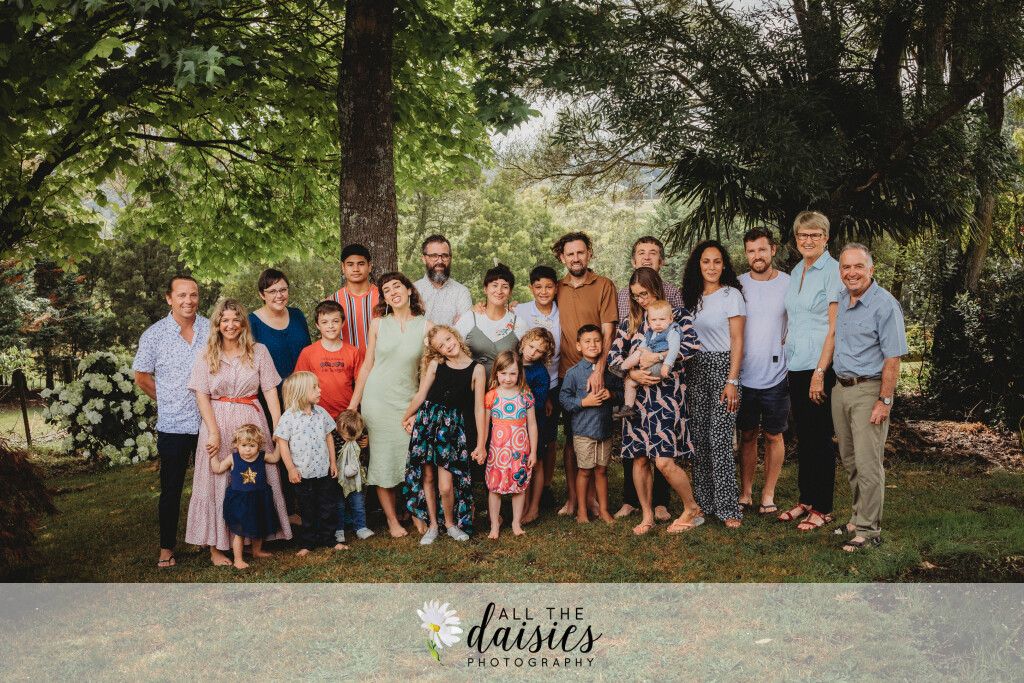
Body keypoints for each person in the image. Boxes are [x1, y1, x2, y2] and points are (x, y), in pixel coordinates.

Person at [185, 298, 292, 566]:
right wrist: (213, 432)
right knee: (217, 481)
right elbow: (201, 396)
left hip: (252, 422)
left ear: (243, 323)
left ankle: (255, 542)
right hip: (217, 422)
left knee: (258, 478)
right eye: (225, 320)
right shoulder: (206, 354)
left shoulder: (259, 351)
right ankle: (216, 548)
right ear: (217, 324)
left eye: (236, 319)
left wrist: (278, 430)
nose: (230, 325)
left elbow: (270, 393)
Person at [608, 267, 702, 535]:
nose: (641, 300)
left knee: (663, 461)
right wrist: (632, 373)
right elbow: (614, 356)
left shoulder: (676, 316)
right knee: (639, 459)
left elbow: (692, 346)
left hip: (666, 397)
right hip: (636, 400)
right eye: (636, 296)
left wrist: (659, 357)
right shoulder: (630, 322)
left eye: (645, 294)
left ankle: (691, 507)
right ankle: (647, 514)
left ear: (657, 289)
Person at [832, 244, 907, 551]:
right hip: (841, 390)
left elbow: (893, 358)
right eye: (846, 267)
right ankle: (856, 517)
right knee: (850, 460)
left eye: (858, 267)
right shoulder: (842, 298)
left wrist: (884, 401)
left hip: (869, 391)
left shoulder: (885, 305)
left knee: (868, 463)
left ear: (871, 270)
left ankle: (869, 531)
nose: (852, 273)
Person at [132, 275, 210, 569]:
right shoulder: (154, 335)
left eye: (193, 295)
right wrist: (167, 400)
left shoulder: (210, 329)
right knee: (172, 489)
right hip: (174, 424)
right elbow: (142, 377)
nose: (188, 301)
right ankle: (167, 548)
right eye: (182, 295)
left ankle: (212, 538)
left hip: (208, 421)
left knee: (212, 483)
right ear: (169, 298)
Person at [349, 272, 432, 538]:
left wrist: (418, 408)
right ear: (384, 298)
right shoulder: (378, 324)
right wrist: (353, 406)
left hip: (408, 402)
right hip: (377, 401)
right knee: (383, 461)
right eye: (387, 290)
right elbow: (367, 366)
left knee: (413, 459)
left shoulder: (427, 327)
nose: (393, 292)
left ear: (409, 290)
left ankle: (417, 512)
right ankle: (392, 520)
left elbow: (427, 373)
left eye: (397, 286)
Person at [781, 211, 842, 531]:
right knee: (803, 436)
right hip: (796, 365)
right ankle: (806, 499)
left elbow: (834, 327)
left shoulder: (833, 271)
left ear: (825, 238)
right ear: (796, 238)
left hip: (820, 367)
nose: (808, 240)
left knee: (819, 438)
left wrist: (820, 371)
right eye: (803, 235)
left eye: (815, 235)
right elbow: (795, 319)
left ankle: (823, 507)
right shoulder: (796, 271)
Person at [551, 232, 617, 517]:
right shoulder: (557, 287)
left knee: (597, 432)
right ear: (562, 257)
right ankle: (573, 499)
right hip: (567, 372)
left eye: (581, 252)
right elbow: (538, 304)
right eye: (570, 254)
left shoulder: (603, 285)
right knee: (573, 438)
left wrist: (599, 370)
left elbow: (608, 331)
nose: (576, 258)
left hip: (596, 372)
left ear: (589, 253)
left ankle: (592, 499)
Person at [401, 325, 486, 544]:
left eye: (448, 339)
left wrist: (481, 444)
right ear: (437, 351)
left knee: (446, 485)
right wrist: (408, 416)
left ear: (455, 336)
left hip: (451, 429)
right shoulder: (435, 365)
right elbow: (421, 395)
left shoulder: (477, 370)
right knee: (428, 477)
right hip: (427, 423)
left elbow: (479, 409)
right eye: (441, 345)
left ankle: (450, 524)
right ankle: (433, 525)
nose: (448, 345)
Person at [682, 240, 746, 528]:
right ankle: (703, 504)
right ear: (698, 264)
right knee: (700, 439)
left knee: (720, 439)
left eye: (717, 261)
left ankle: (729, 508)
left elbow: (737, 340)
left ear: (724, 265)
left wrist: (732, 380)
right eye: (706, 261)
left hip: (723, 369)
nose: (711, 267)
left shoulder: (731, 295)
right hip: (695, 369)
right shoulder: (690, 297)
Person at [736, 227, 791, 515]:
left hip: (777, 375)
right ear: (746, 254)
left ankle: (768, 493)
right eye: (751, 251)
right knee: (747, 434)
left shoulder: (789, 283)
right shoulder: (737, 285)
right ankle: (745, 492)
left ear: (773, 250)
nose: (757, 255)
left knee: (773, 436)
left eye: (762, 249)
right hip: (744, 375)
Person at [274, 371, 347, 555]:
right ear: (300, 392)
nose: (319, 390)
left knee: (328, 507)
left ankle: (330, 539)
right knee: (307, 510)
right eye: (314, 387)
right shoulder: (288, 417)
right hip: (302, 474)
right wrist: (290, 468)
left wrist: (333, 462)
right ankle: (308, 543)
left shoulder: (322, 413)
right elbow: (282, 443)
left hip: (323, 471)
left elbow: (329, 437)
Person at [560, 325, 623, 524]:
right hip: (583, 431)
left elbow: (622, 394)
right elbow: (564, 399)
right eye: (587, 341)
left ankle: (603, 510)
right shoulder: (573, 373)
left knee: (602, 470)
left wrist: (611, 395)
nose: (593, 345)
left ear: (603, 343)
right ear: (578, 346)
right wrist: (583, 402)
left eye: (597, 340)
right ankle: (581, 512)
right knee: (585, 471)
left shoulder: (610, 372)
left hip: (605, 430)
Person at [513, 266, 562, 510]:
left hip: (549, 382)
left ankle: (544, 491)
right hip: (517, 383)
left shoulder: (563, 311)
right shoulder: (519, 309)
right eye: (538, 286)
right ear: (531, 288)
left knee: (547, 441)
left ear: (556, 288)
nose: (543, 291)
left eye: (549, 286)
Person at [208, 424, 283, 569]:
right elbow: (217, 468)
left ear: (259, 445)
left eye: (252, 446)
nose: (247, 449)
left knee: (259, 526)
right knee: (240, 532)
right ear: (236, 445)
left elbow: (275, 457)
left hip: (259, 498)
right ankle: (238, 559)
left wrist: (279, 442)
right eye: (243, 445)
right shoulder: (233, 458)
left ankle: (257, 551)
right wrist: (213, 455)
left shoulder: (261, 456)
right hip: (240, 501)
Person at [484, 350, 538, 539]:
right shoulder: (492, 396)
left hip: (519, 450)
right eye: (503, 373)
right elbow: (485, 425)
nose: (508, 378)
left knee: (519, 486)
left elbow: (532, 425)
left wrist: (533, 452)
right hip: (497, 451)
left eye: (513, 373)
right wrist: (482, 447)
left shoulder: (525, 395)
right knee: (494, 487)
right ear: (496, 373)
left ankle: (516, 522)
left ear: (519, 374)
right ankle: (494, 524)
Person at [293, 300, 365, 421]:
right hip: (316, 416)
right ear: (317, 325)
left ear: (342, 323)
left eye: (335, 321)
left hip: (347, 415)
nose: (330, 326)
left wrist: (352, 409)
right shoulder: (307, 353)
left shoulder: (353, 352)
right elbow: (299, 386)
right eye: (324, 322)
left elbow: (361, 384)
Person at [454, 263, 526, 379]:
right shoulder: (469, 318)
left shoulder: (519, 323)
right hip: (470, 385)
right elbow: (452, 351)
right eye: (494, 285)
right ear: (485, 289)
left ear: (510, 292)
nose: (499, 291)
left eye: (505, 287)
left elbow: (528, 358)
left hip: (505, 388)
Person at [612, 299, 681, 419]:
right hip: (650, 368)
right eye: (654, 320)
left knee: (639, 353)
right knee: (629, 382)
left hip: (660, 367)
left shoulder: (672, 331)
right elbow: (644, 345)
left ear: (671, 319)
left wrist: (667, 365)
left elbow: (674, 349)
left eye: (662, 319)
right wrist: (641, 354)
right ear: (649, 321)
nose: (658, 323)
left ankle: (622, 368)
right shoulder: (651, 331)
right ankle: (628, 407)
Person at [248, 268, 312, 387]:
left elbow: (310, 353)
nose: (279, 296)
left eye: (283, 290)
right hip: (271, 393)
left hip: (304, 390)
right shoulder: (251, 322)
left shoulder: (297, 315)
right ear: (262, 294)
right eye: (272, 291)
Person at [518, 327, 556, 524]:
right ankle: (522, 505)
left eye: (539, 351)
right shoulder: (513, 363)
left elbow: (538, 402)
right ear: (524, 341)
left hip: (534, 424)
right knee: (522, 463)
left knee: (537, 463)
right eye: (531, 346)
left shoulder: (540, 372)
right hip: (514, 425)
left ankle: (534, 507)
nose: (532, 353)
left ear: (544, 355)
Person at [328, 243, 380, 351]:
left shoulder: (384, 298)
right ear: (343, 267)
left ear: (369, 266)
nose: (356, 269)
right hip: (345, 361)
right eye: (350, 264)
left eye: (361, 264)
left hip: (380, 361)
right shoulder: (332, 302)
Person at [413, 234, 472, 326]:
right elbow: (408, 328)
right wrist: (453, 329)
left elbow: (465, 329)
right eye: (434, 256)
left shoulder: (461, 292)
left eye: (444, 256)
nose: (440, 261)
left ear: (450, 258)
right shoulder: (412, 291)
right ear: (424, 259)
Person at [334, 409, 372, 542]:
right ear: (338, 429)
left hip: (356, 476)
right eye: (348, 439)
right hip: (338, 476)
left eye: (354, 438)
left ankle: (361, 527)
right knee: (338, 504)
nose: (352, 440)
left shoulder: (360, 432)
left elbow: (363, 445)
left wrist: (366, 443)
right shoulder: (333, 436)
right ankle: (338, 529)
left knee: (358, 502)